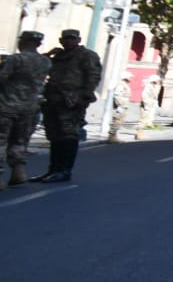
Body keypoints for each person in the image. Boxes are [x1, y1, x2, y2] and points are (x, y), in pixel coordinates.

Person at [37, 29, 102, 183]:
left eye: (72, 39)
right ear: (61, 40)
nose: (69, 41)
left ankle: (64, 170)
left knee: (68, 135)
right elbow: (38, 65)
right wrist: (48, 54)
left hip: (72, 101)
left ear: (79, 40)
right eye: (66, 39)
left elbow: (93, 76)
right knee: (54, 136)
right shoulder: (58, 56)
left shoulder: (87, 55)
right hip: (53, 100)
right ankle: (53, 169)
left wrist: (85, 96)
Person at [0, 31, 52, 187]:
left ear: (23, 42)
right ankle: (18, 171)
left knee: (1, 139)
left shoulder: (16, 59)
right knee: (19, 140)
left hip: (7, 106)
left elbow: (2, 78)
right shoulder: (45, 61)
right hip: (30, 108)